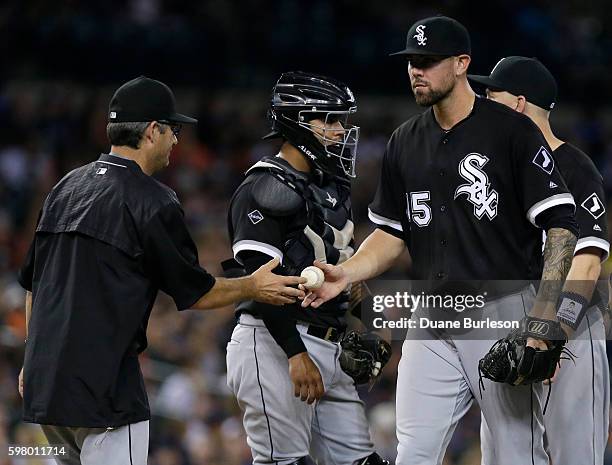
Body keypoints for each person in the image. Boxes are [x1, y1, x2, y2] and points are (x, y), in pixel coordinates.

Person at [301, 16, 580, 465]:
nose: (416, 70)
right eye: (412, 61)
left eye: (428, 61)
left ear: (461, 64)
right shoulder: (405, 141)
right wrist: (346, 272)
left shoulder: (511, 130)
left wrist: (544, 317)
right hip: (432, 314)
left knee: (515, 454)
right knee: (412, 452)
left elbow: (561, 226)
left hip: (502, 310)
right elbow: (391, 233)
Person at [17, 76, 306, 465]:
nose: (176, 140)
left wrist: (32, 356)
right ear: (152, 131)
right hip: (106, 392)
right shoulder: (152, 200)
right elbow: (196, 292)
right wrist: (252, 285)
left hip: (45, 384)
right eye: (173, 130)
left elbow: (34, 284)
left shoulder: (65, 187)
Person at [224, 71, 390, 465]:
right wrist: (295, 354)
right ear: (296, 122)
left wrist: (365, 323)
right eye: (327, 120)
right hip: (274, 343)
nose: (338, 130)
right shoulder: (265, 186)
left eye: (340, 121)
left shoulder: (329, 185)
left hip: (327, 343)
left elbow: (342, 271)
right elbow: (257, 285)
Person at [469, 56, 610, 465]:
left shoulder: (574, 167)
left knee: (574, 456)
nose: (480, 104)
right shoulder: (497, 171)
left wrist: (552, 332)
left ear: (517, 104)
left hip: (572, 335)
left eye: (489, 95)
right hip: (510, 329)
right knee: (503, 456)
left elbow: (586, 261)